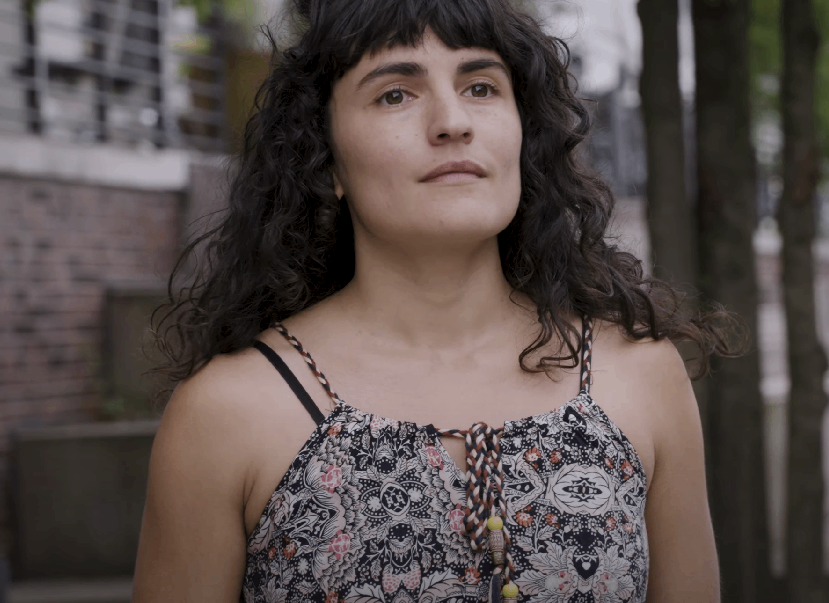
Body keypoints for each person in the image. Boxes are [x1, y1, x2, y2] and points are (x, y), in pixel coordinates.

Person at [133, 0, 731, 601]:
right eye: (395, 93)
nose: (452, 122)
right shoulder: (225, 415)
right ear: (325, 158)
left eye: (480, 86)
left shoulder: (638, 376)